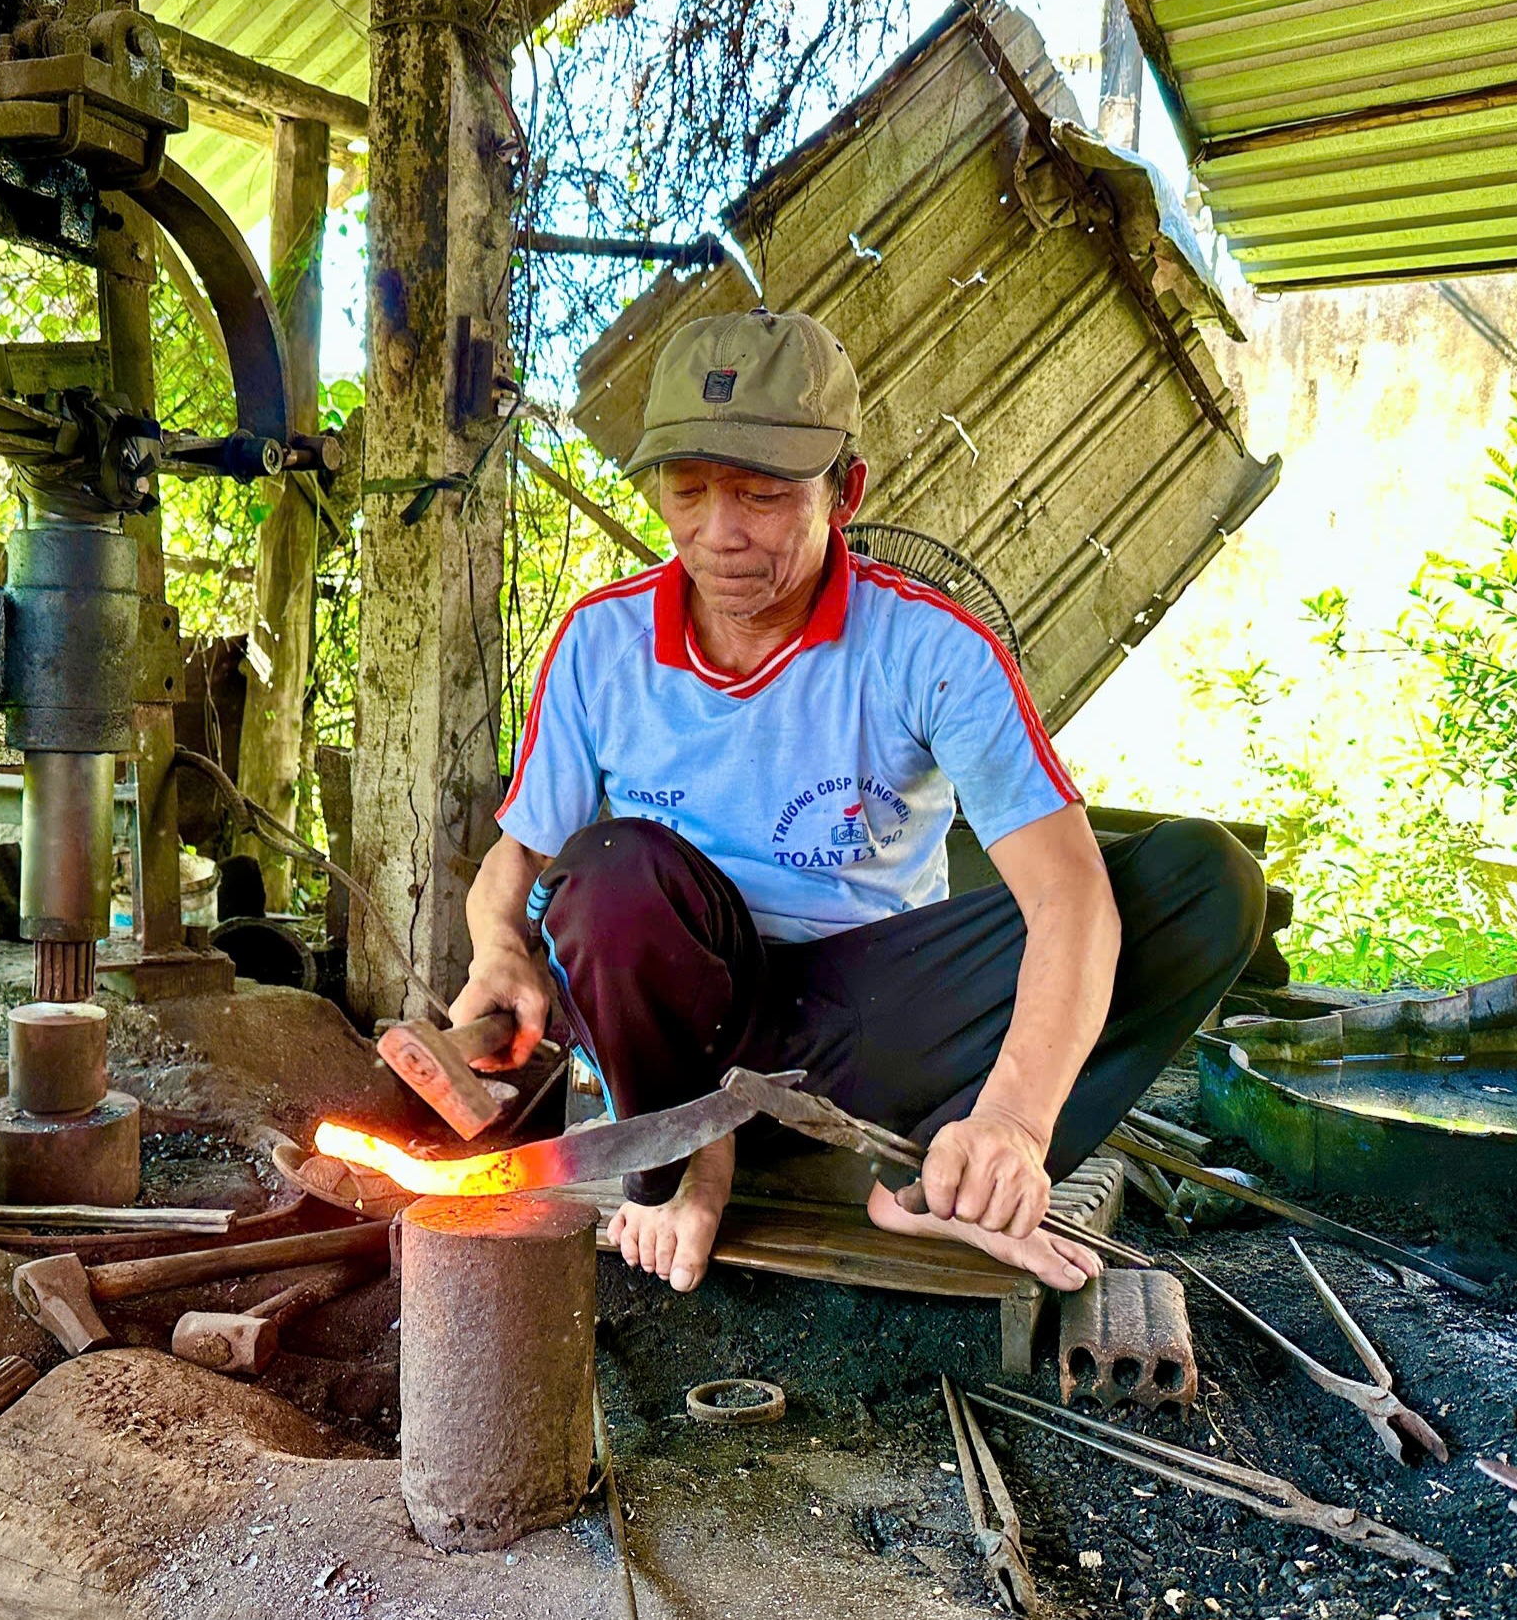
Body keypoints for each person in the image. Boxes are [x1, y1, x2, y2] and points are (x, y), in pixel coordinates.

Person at [449, 308, 1263, 1294]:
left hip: (858, 1022)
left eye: (760, 493)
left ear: (847, 490)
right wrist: (498, 948)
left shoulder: (931, 649)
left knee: (1202, 883)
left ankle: (941, 1181)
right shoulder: (600, 644)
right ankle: (682, 1163)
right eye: (688, 491)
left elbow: (1068, 897)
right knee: (610, 874)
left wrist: (1014, 1117)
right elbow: (521, 860)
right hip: (663, 1023)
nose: (719, 534)